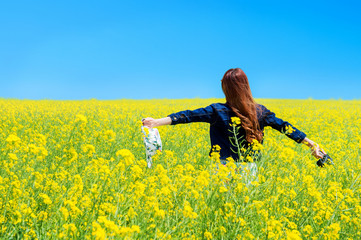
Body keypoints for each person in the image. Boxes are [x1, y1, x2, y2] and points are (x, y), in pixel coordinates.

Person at [142, 68, 326, 165]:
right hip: (250, 167)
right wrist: (313, 146)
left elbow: (186, 116)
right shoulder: (260, 111)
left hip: (222, 167)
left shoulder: (216, 111)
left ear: (225, 88)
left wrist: (155, 122)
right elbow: (286, 127)